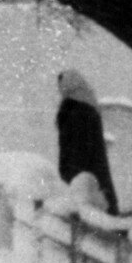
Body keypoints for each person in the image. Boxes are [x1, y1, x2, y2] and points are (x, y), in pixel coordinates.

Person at [54, 69, 120, 214]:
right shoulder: (89, 104)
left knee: (84, 214)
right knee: (102, 200)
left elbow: (74, 147)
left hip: (79, 172)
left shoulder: (72, 108)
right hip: (95, 169)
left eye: (61, 85)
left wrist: (69, 174)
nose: (59, 89)